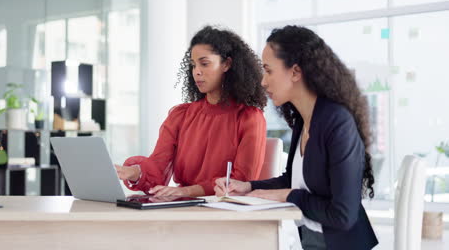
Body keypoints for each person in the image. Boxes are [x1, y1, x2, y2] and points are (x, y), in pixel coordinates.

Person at [214, 25, 379, 250]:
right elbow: (293, 181)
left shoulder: (337, 123)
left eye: (268, 70)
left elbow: (343, 215)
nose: (263, 81)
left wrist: (290, 196)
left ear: (295, 72)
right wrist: (248, 187)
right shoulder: (304, 120)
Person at [115, 25, 267, 197]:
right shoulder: (180, 115)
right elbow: (158, 165)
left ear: (226, 64)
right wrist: (133, 172)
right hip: (183, 208)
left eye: (204, 64)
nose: (197, 72)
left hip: (225, 211)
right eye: (193, 65)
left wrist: (185, 191)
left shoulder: (249, 118)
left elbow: (240, 181)